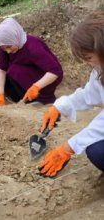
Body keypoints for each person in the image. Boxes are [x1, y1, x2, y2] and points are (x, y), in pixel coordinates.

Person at [38, 11, 104, 178]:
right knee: (96, 149)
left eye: (89, 57)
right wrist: (59, 107)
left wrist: (68, 147)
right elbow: (89, 94)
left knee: (98, 151)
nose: (87, 64)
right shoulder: (100, 70)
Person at [0, 17, 63, 107]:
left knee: (14, 70)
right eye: (4, 48)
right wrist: (0, 95)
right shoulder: (5, 45)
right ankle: (20, 97)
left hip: (46, 76)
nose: (8, 51)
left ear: (15, 37)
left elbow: (55, 71)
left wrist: (36, 87)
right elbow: (1, 69)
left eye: (9, 47)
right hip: (27, 71)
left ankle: (39, 99)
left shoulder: (33, 47)